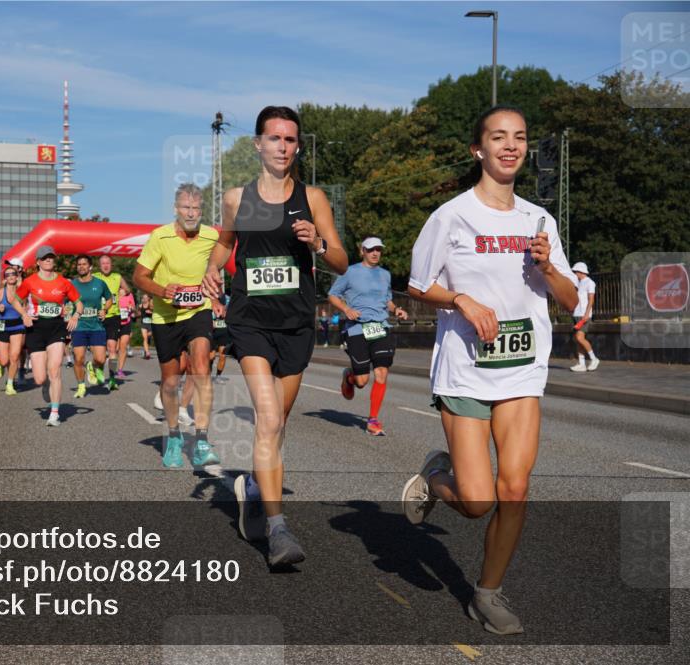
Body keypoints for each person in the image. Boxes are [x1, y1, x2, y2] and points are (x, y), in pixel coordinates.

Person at [401, 106, 578, 635]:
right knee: (477, 502)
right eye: (498, 137)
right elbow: (416, 284)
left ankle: (487, 594)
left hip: (522, 371)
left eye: (519, 137)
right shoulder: (451, 216)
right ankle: (436, 479)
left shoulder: (540, 220)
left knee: (516, 489)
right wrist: (461, 301)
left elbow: (570, 299)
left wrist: (547, 267)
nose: (510, 145)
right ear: (478, 149)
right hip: (467, 372)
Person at [202, 106, 347, 568]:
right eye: (274, 138)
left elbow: (342, 261)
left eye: (290, 140)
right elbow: (225, 244)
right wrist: (211, 270)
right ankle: (279, 530)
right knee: (267, 420)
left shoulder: (314, 198)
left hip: (296, 323)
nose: (282, 147)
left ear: (296, 147)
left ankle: (251, 487)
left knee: (277, 423)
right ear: (257, 145)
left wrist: (317, 244)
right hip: (250, 321)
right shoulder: (235, 199)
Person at [135, 182, 222, 468]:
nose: (192, 213)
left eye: (197, 208)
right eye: (186, 207)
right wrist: (162, 291)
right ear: (176, 208)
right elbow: (140, 277)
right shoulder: (159, 237)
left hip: (199, 310)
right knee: (170, 382)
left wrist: (216, 290)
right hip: (166, 316)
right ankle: (173, 436)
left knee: (201, 366)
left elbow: (227, 258)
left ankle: (201, 439)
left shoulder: (211, 236)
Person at [329, 236, 408, 436]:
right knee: (362, 381)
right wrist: (346, 309)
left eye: (378, 250)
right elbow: (332, 295)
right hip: (357, 329)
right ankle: (350, 377)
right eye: (371, 249)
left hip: (381, 327)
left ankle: (372, 420)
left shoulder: (385, 274)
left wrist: (396, 309)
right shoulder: (350, 272)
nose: (375, 253)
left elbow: (387, 300)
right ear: (362, 251)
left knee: (381, 372)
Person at [18, 245, 82, 426]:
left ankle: (55, 413)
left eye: (51, 257)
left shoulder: (64, 282)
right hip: (36, 329)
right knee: (39, 377)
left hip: (56, 328)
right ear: (38, 262)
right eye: (45, 258)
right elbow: (15, 299)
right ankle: (45, 385)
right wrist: (24, 314)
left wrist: (76, 315)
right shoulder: (29, 281)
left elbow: (79, 303)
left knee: (55, 370)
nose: (48, 260)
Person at [70, 255, 112, 398]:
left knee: (100, 359)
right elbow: (62, 300)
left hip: (96, 326)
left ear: (90, 267)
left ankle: (92, 366)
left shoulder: (100, 283)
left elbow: (110, 299)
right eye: (79, 265)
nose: (81, 267)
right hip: (79, 326)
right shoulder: (72, 284)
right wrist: (63, 309)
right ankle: (81, 386)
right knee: (79, 358)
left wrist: (104, 310)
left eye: (84, 264)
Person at [0, 265, 28, 395]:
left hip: (18, 326)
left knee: (15, 356)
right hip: (2, 326)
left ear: (17, 277)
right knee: (5, 360)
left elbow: (26, 307)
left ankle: (10, 384)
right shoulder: (0, 293)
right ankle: (1, 364)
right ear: (5, 278)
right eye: (8, 274)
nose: (10, 276)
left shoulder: (22, 292)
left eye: (13, 274)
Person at [93, 255, 131, 391]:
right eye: (103, 263)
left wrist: (124, 291)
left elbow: (128, 289)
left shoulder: (117, 277)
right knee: (100, 355)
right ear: (99, 265)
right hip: (98, 317)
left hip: (113, 316)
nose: (105, 265)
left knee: (112, 348)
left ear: (111, 265)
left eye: (108, 263)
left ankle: (113, 379)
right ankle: (96, 367)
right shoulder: (95, 276)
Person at [570, 261, 599, 372]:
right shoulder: (579, 283)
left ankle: (594, 358)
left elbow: (591, 299)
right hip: (576, 314)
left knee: (579, 338)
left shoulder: (589, 283)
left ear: (581, 272)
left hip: (584, 315)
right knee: (577, 340)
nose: (575, 273)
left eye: (576, 271)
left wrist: (587, 314)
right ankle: (581, 364)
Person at [211, 292, 231, 382]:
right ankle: (207, 374)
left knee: (222, 355)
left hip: (224, 330)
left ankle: (218, 376)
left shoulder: (228, 298)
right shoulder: (209, 297)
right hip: (212, 331)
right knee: (211, 356)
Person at [116, 285, 136, 377]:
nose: (122, 289)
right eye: (121, 288)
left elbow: (134, 308)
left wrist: (131, 308)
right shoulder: (114, 295)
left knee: (123, 347)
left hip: (126, 323)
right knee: (115, 348)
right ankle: (112, 367)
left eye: (124, 288)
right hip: (115, 323)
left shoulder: (129, 295)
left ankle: (120, 369)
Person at [139, 294, 154, 359]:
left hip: (151, 324)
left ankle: (145, 348)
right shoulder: (140, 306)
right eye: (143, 297)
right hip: (143, 324)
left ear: (148, 298)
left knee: (148, 337)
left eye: (146, 297)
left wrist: (151, 312)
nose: (144, 299)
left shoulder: (151, 305)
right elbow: (138, 314)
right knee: (145, 338)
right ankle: (147, 353)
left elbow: (156, 312)